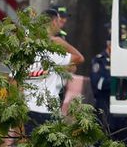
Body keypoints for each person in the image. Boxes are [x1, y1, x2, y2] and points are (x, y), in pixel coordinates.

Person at [23, 8, 84, 136]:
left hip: (28, 109)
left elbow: (14, 80)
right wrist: (62, 43)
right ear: (54, 21)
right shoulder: (53, 51)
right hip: (47, 110)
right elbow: (79, 58)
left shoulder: (24, 53)